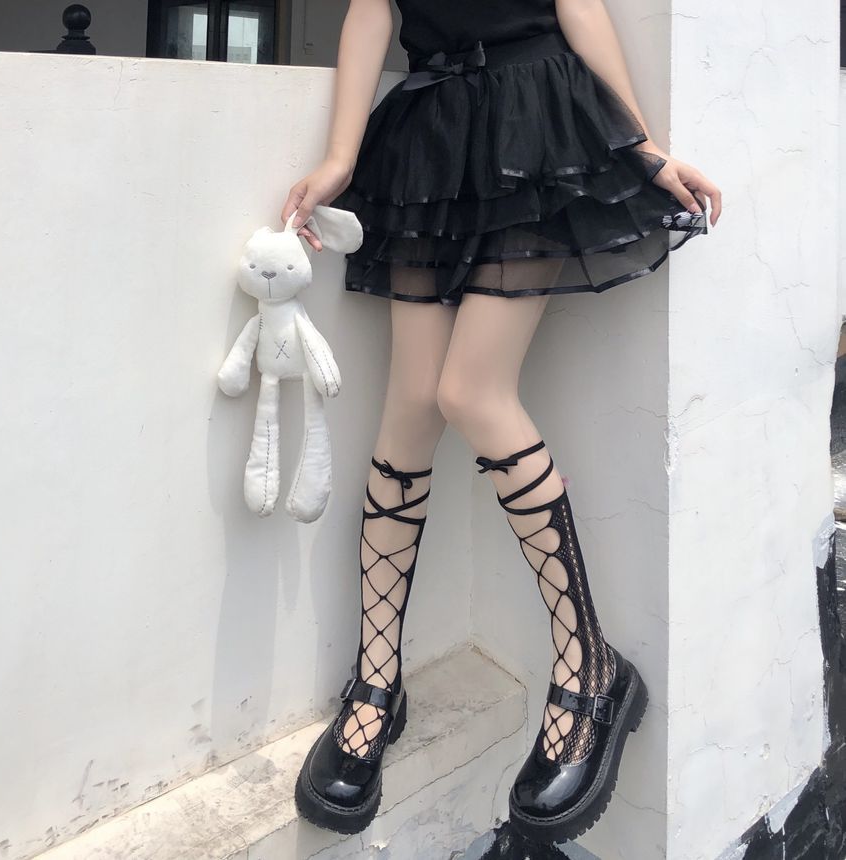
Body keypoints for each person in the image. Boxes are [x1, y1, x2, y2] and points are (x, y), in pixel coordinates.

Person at [290, 0, 722, 845]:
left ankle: (591, 664)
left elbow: (578, 5)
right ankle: (377, 682)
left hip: (537, 120)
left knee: (471, 391)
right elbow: (370, 9)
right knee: (412, 402)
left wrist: (642, 145)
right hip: (429, 134)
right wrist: (340, 156)